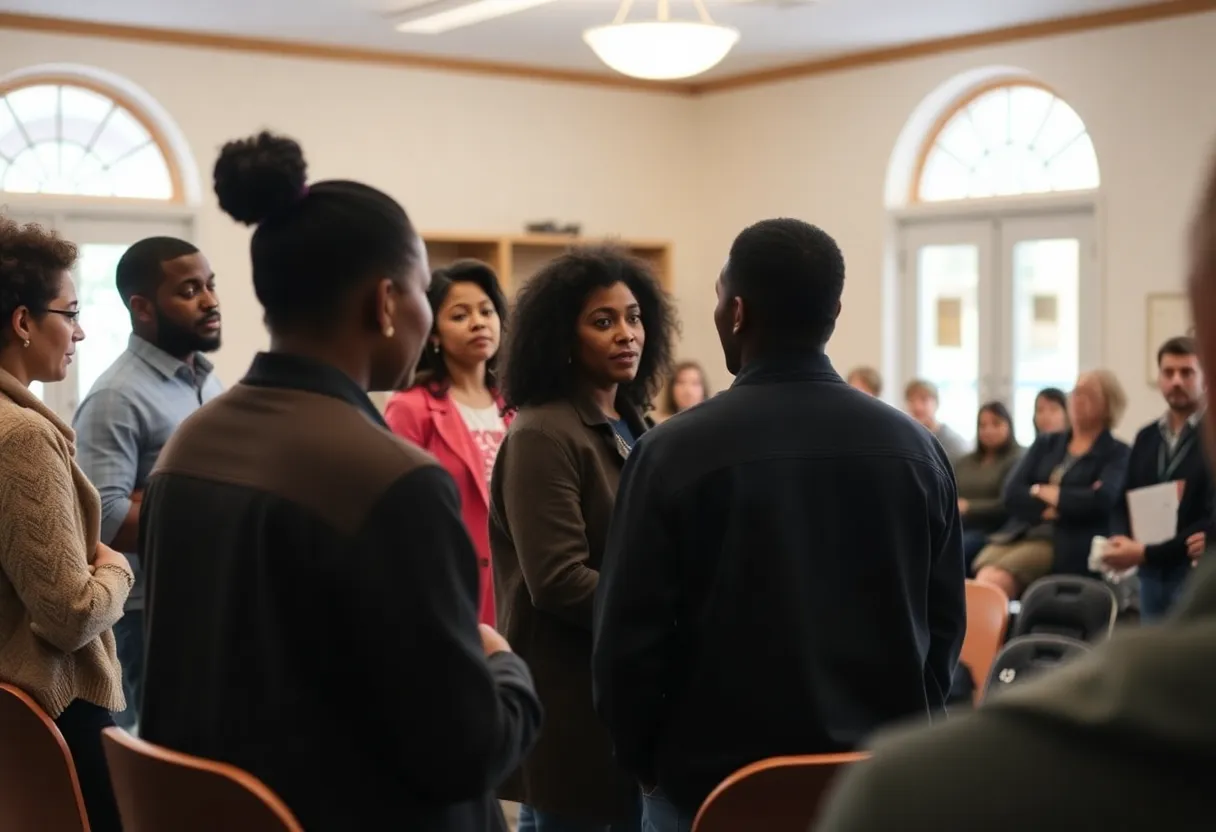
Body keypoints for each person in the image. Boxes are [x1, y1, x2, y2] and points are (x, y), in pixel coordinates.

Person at [138, 131, 541, 831]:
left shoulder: (190, 443)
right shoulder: (389, 476)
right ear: (386, 302)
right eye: (422, 291)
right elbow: (463, 751)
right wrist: (506, 667)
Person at [815, 144, 1216, 832]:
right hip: (1070, 540)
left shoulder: (925, 797)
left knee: (988, 567)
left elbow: (1086, 500)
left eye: (1090, 395)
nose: (1081, 404)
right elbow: (1027, 490)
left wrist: (1061, 501)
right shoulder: (1084, 445)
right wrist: (1059, 497)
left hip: (1076, 546)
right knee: (979, 558)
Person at [592, 218, 966, 832]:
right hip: (870, 787)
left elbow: (627, 645)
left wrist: (645, 764)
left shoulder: (670, 453)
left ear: (736, 312)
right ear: (835, 312)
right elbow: (943, 628)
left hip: (713, 794)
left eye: (717, 298)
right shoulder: (917, 452)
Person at [490, 246, 676, 832]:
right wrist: (670, 614)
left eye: (635, 317)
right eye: (604, 321)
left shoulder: (632, 420)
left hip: (622, 693)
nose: (627, 334)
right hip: (570, 699)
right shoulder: (543, 431)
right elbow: (557, 580)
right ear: (561, 338)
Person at [0, 217, 134, 832]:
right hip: (49, 711)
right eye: (70, 311)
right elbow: (68, 613)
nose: (79, 330)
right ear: (23, 322)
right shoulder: (21, 436)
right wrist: (117, 571)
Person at [73, 235, 224, 730]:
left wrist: (161, 497)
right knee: (156, 761)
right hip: (144, 616)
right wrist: (213, 502)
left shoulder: (206, 379)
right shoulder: (116, 396)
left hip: (203, 599)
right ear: (142, 306)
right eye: (189, 290)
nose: (209, 300)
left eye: (210, 285)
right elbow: (108, 521)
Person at [385, 259, 510, 626]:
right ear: (434, 333)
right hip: (449, 588)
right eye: (459, 315)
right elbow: (397, 513)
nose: (478, 322)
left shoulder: (521, 406)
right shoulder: (410, 408)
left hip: (518, 589)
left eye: (486, 311)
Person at [973, 371, 1131, 599]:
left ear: (1108, 404)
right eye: (1076, 391)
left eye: (1088, 394)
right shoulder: (1048, 442)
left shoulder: (1117, 452)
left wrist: (1048, 493)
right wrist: (1048, 498)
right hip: (1022, 532)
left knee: (992, 581)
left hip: (1068, 542)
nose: (1077, 398)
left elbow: (1102, 500)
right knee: (981, 573)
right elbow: (1011, 492)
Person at [1102, 336, 1211, 621]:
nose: (1176, 380)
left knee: (1187, 662)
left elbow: (1210, 517)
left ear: (1205, 378)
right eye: (1168, 372)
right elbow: (1122, 497)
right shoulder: (1146, 436)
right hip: (1150, 574)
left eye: (1187, 372)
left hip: (1192, 570)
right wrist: (1120, 538)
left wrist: (1145, 552)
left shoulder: (1212, 438)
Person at [954, 402, 1023, 567]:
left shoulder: (1017, 459)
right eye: (983, 425)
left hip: (994, 530)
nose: (988, 430)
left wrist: (969, 507)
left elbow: (1006, 504)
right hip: (958, 525)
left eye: (996, 424)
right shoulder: (965, 461)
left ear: (1009, 426)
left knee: (956, 548)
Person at [904, 379, 967, 458]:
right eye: (911, 400)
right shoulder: (905, 439)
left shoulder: (953, 443)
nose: (917, 407)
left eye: (924, 400)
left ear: (936, 403)